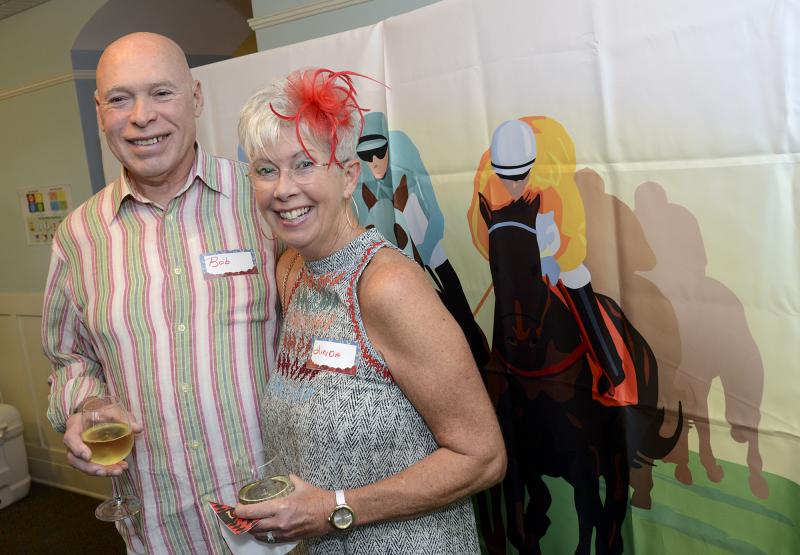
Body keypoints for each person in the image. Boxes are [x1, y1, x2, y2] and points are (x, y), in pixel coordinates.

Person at [235, 68, 506, 553]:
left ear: (346, 176)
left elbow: (483, 458)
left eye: (303, 165)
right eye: (265, 169)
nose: (283, 189)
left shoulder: (387, 286)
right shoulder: (291, 271)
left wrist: (334, 508)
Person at [42, 32, 278, 554]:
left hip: (279, 520)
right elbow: (69, 358)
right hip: (159, 528)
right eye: (120, 98)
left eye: (161, 93)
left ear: (195, 97)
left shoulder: (266, 202)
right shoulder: (76, 238)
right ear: (98, 110)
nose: (141, 116)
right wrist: (88, 404)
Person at [468, 116, 624, 393]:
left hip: (553, 253)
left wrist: (556, 259)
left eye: (520, 176)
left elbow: (574, 238)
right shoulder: (485, 182)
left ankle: (610, 367)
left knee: (577, 275)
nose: (514, 184)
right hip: (513, 260)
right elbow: (478, 230)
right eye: (506, 177)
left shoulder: (556, 183)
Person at [354, 112, 490, 367]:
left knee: (442, 264)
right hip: (382, 249)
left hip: (422, 237)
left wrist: (426, 244)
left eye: (379, 152)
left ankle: (472, 338)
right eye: (365, 156)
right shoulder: (359, 185)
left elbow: (434, 210)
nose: (373, 161)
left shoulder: (407, 163)